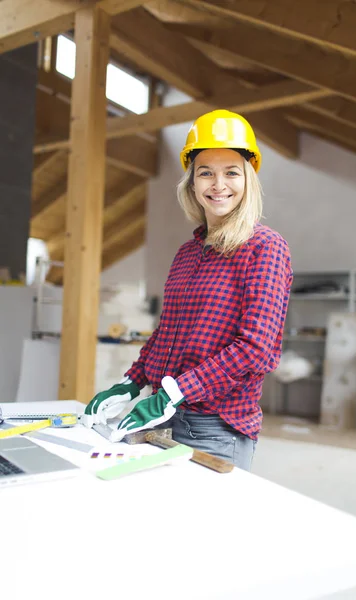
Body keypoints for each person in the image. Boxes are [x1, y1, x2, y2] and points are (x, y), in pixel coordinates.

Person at [83, 109, 293, 471]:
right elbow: (167, 333)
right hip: (164, 421)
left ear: (249, 178)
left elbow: (256, 349)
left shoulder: (265, 248)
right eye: (206, 172)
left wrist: (174, 393)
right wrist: (130, 384)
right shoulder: (188, 253)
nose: (218, 184)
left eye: (231, 172)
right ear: (192, 182)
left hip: (216, 429)